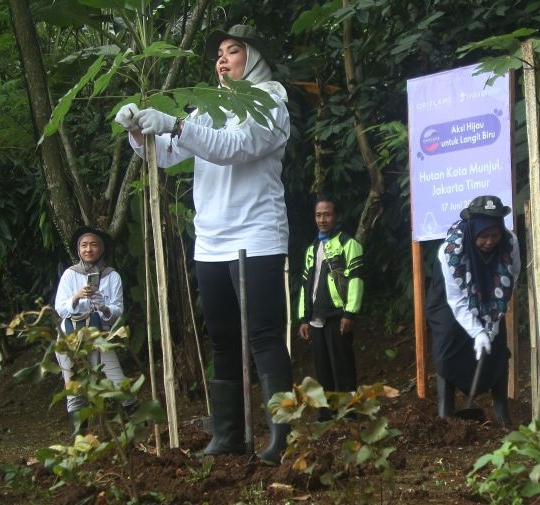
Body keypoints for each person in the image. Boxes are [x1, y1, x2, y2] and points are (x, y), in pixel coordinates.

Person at [114, 24, 293, 465]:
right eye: (219, 52)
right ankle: (230, 434)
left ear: (253, 59)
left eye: (234, 50)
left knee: (265, 336)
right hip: (211, 240)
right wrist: (140, 133)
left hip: (256, 233)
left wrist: (176, 123)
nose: (223, 58)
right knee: (223, 339)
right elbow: (173, 153)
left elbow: (238, 147)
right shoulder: (209, 106)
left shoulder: (271, 100)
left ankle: (282, 436)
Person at [425, 195, 521, 427]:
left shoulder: (510, 243)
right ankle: (445, 411)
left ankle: (501, 412)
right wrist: (477, 332)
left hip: (491, 291)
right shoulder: (450, 251)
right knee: (449, 339)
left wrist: (493, 322)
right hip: (449, 297)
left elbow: (512, 277)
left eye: (494, 235)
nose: (490, 241)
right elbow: (456, 300)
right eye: (484, 236)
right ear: (472, 230)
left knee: (497, 346)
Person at [54, 226, 134, 434]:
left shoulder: (112, 276)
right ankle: (81, 443)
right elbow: (60, 308)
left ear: (102, 248)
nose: (88, 249)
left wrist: (102, 306)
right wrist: (76, 297)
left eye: (93, 244)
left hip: (99, 336)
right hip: (71, 338)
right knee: (75, 389)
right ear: (78, 249)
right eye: (84, 245)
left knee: (118, 382)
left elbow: (118, 310)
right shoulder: (70, 274)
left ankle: (140, 432)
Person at [298, 195, 364, 419]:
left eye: (327, 214)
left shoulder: (348, 244)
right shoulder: (312, 248)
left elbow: (356, 281)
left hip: (338, 315)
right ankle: (326, 414)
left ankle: (349, 412)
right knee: (322, 367)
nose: (322, 219)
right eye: (318, 214)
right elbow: (306, 285)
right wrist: (304, 318)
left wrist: (350, 313)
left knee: (342, 365)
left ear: (337, 217)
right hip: (316, 317)